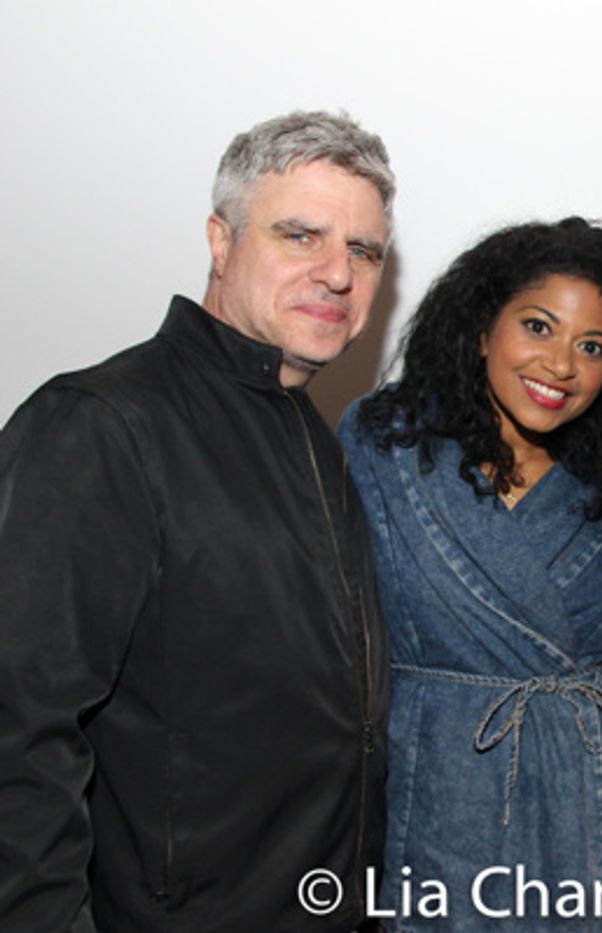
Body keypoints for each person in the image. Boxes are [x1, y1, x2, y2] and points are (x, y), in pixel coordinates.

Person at [0, 111, 394, 931]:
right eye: (300, 235)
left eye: (364, 251)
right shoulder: (102, 425)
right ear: (221, 241)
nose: (337, 273)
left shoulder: (318, 442)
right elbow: (18, 733)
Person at [339, 217, 602, 931]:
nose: (561, 364)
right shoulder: (382, 442)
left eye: (592, 347)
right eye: (538, 325)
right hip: (440, 797)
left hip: (594, 801)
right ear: (480, 326)